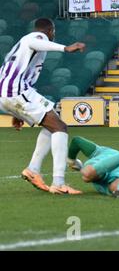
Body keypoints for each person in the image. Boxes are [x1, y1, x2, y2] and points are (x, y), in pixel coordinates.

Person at [0, 18, 85, 194]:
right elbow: (34, 42)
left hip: (10, 92)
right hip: (16, 90)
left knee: (52, 125)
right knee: (60, 127)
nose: (53, 35)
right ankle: (59, 182)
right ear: (50, 30)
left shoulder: (23, 46)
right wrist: (65, 48)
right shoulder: (37, 36)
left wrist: (18, 114)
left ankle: (33, 169)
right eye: (53, 32)